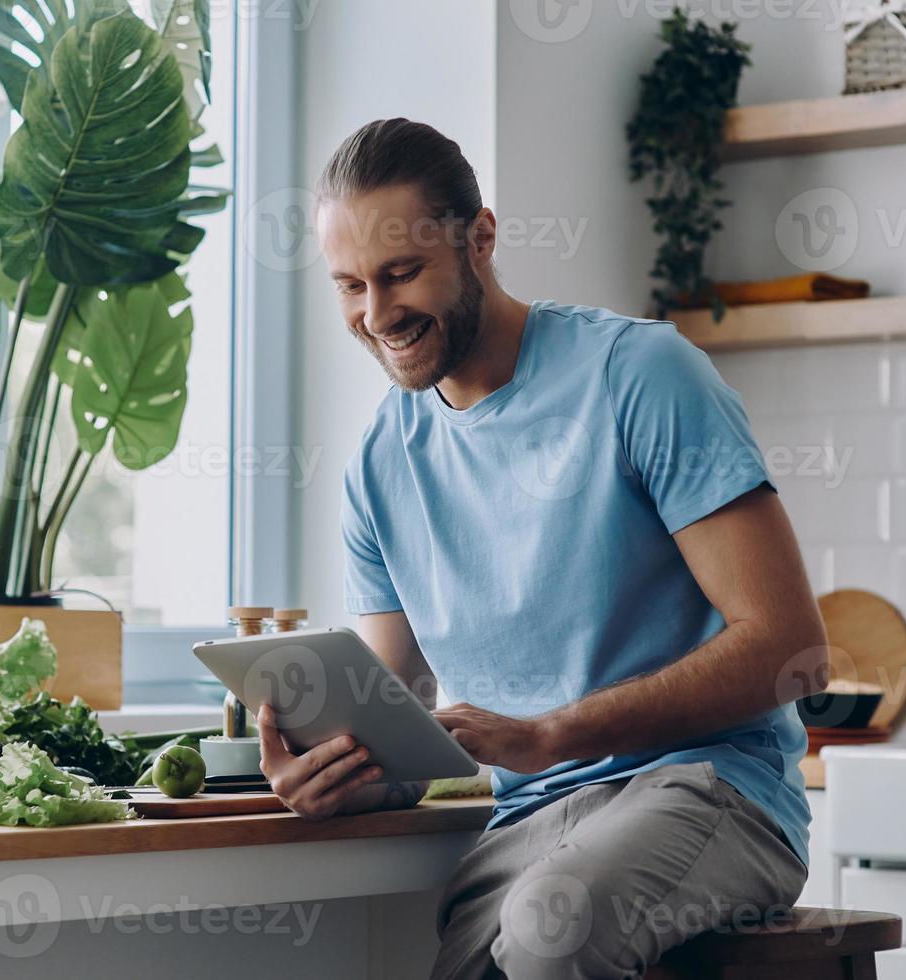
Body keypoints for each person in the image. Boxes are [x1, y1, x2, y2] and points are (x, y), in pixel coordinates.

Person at [256, 117, 826, 979]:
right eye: (349, 286)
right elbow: (398, 724)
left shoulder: (639, 375)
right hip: (534, 820)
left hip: (712, 789)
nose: (376, 315)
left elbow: (790, 650)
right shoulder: (378, 466)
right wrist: (335, 774)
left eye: (401, 273)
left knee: (548, 927)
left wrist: (554, 732)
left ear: (479, 239)